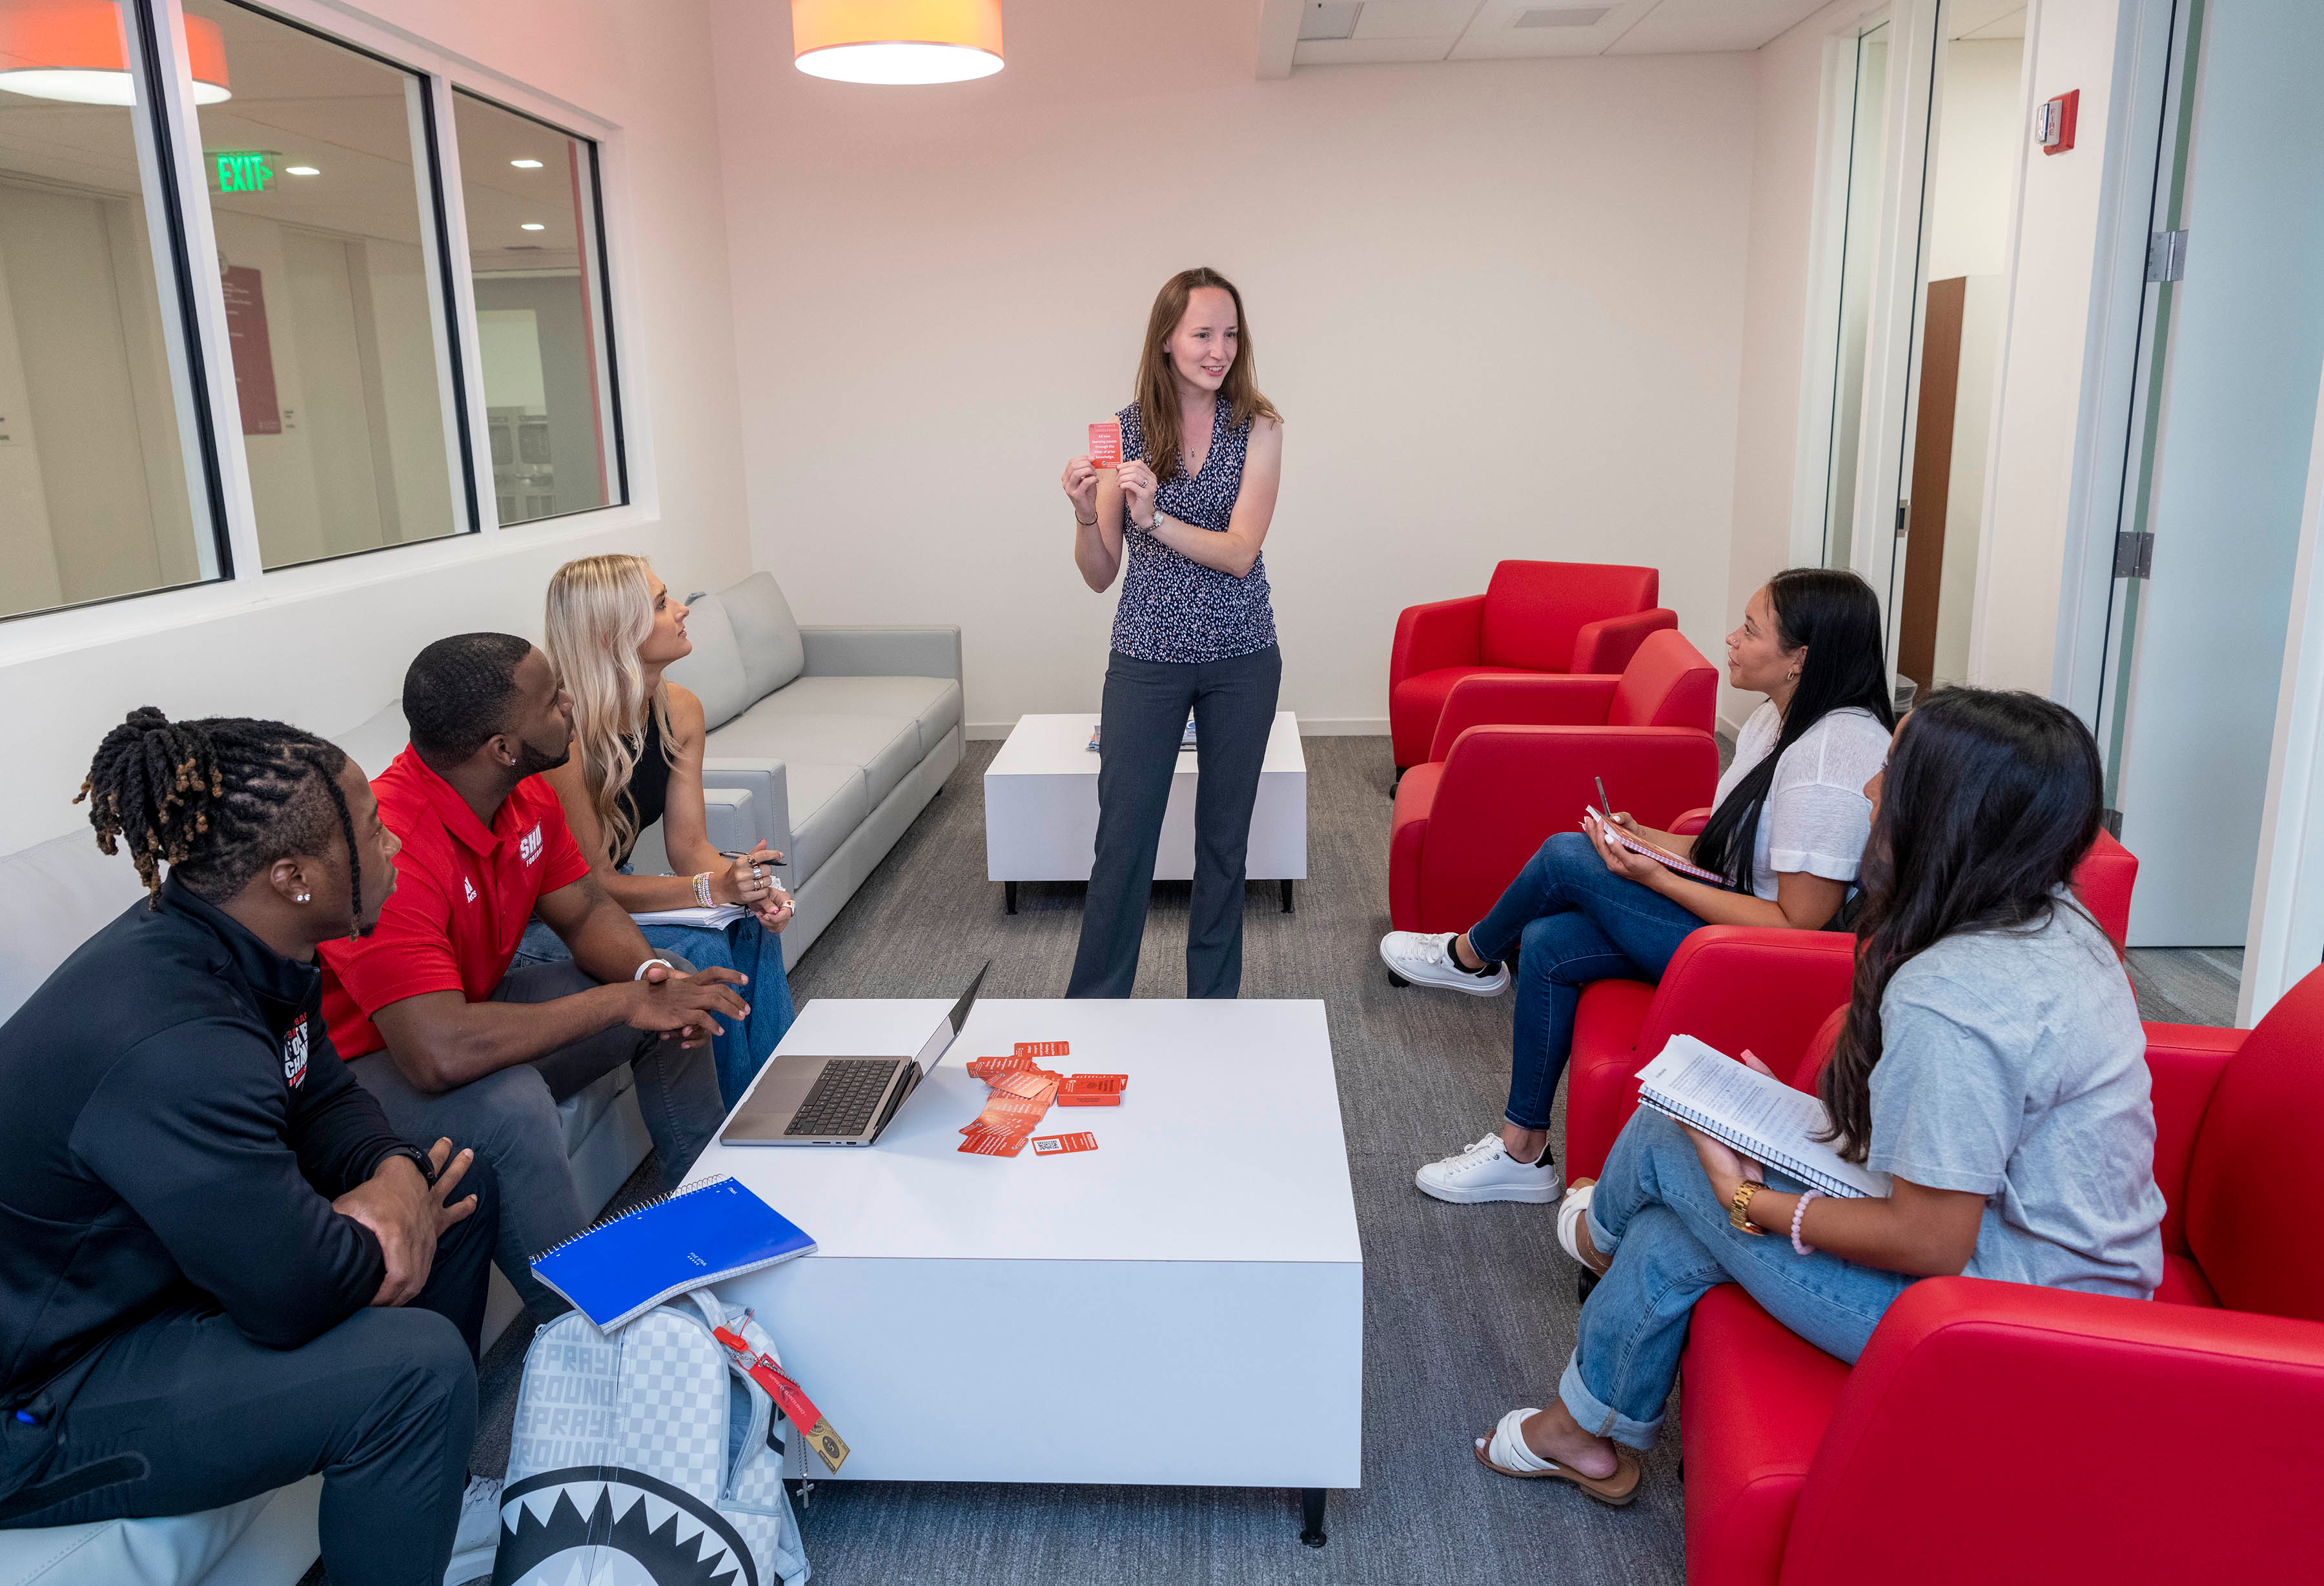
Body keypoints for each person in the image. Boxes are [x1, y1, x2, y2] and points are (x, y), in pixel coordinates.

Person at [1473, 689, 2164, 1505]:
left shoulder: (1954, 994)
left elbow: (1933, 1240)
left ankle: (1598, 1236)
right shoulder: (2051, 918)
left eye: (1893, 771)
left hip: (2002, 1320)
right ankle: (1583, 1434)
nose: (1871, 792)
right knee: (1677, 1216)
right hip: (2052, 1263)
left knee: (1670, 1143)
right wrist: (1790, 1134)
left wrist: (1752, 1199)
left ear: (1946, 808)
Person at [0, 710, 502, 1586]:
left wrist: (391, 1177)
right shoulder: (175, 1037)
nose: (394, 845)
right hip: (43, 1395)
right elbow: (293, 1294)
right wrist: (378, 1220)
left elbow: (325, 1098)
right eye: (374, 830)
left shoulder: (253, 945)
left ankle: (425, 1507)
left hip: (149, 1285)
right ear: (295, 876)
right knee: (414, 1371)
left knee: (455, 1185)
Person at [1387, 567, 1897, 1205]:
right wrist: (1647, 837)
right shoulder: (1776, 720)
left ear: (1801, 658)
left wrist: (1656, 876)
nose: (1732, 639)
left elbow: (1799, 924)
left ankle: (1472, 955)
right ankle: (1523, 1152)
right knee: (1548, 939)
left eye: (1751, 630)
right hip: (1732, 922)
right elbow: (1727, 846)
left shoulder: (1833, 756)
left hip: (1762, 959)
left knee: (1566, 856)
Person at [318, 633, 750, 1316]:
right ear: (502, 747)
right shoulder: (391, 845)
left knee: (671, 984)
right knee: (513, 1099)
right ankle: (594, 1323)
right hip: (366, 1074)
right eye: (553, 701)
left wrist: (648, 977)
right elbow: (438, 1052)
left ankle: (713, 1220)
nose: (571, 706)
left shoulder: (524, 794)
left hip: (468, 1011)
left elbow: (582, 910)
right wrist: (619, 1003)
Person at [1059, 266, 1285, 999]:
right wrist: (1086, 512)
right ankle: (1097, 1009)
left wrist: (1154, 517)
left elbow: (1240, 552)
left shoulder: (1260, 428)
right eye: (1201, 334)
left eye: (1229, 335)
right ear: (1166, 339)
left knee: (1225, 848)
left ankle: (1213, 1012)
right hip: (1146, 659)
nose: (1218, 350)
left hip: (1242, 658)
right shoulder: (1122, 434)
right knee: (1122, 843)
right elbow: (1101, 574)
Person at [523, 554, 796, 1110]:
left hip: (609, 890)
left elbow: (689, 847)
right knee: (699, 946)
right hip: (546, 914)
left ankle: (778, 1100)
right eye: (659, 604)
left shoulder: (680, 710)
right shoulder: (563, 740)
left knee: (751, 922)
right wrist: (711, 889)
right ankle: (734, 1129)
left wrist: (746, 884)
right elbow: (591, 886)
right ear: (612, 633)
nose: (680, 611)